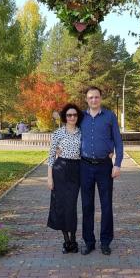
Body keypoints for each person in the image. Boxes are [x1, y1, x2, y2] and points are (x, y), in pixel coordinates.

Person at [79, 86, 123, 256]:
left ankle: (105, 242)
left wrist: (117, 164)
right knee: (87, 205)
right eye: (90, 97)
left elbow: (118, 142)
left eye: (96, 97)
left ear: (101, 98)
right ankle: (89, 242)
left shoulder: (110, 117)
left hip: (105, 166)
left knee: (106, 205)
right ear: (86, 99)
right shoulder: (81, 117)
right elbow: (70, 135)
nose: (94, 100)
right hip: (85, 166)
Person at [47, 103, 83, 254]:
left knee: (72, 205)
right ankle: (66, 241)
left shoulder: (82, 132)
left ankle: (74, 239)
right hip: (60, 170)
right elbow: (50, 156)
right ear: (65, 117)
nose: (72, 117)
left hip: (76, 169)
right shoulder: (58, 133)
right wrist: (49, 178)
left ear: (77, 117)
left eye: (74, 115)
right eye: (69, 115)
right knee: (61, 205)